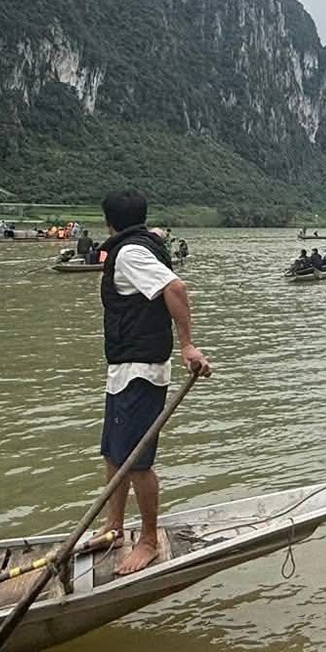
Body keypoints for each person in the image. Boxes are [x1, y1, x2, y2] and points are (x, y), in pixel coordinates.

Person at [96, 190, 211, 575]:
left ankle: (147, 541)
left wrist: (187, 345)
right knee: (114, 454)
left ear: (109, 221)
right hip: (123, 368)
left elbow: (175, 288)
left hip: (141, 371)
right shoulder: (140, 246)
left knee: (137, 462)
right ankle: (113, 528)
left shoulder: (130, 253)